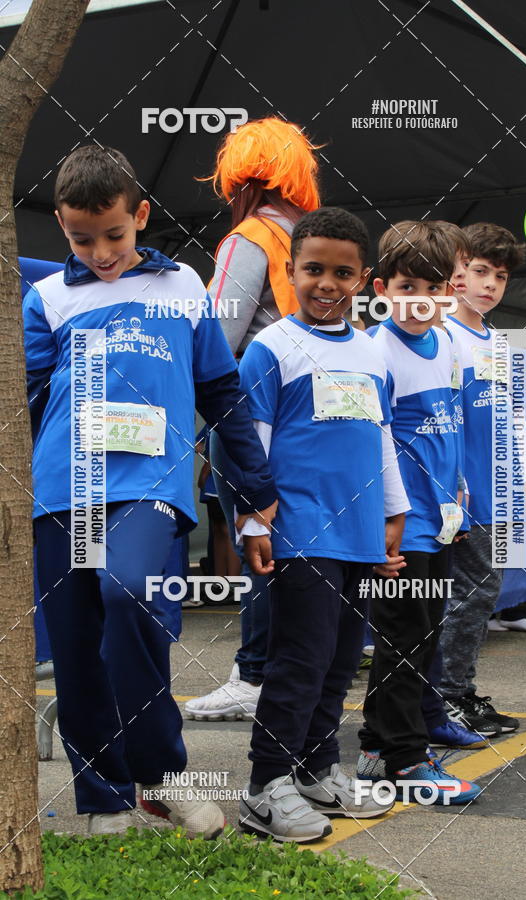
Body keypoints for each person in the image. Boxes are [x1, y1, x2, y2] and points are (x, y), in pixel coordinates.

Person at [24, 145, 277, 836]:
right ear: (61, 225)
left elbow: (221, 391)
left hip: (149, 480)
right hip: (67, 487)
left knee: (128, 591)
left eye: (114, 233)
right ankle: (105, 800)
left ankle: (162, 775)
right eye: (82, 239)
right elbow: (29, 401)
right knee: (77, 643)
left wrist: (256, 488)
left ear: (140, 214)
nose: (101, 253)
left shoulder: (184, 285)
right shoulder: (48, 299)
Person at [237, 207, 410, 842]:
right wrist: (252, 522)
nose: (327, 284)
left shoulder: (372, 353)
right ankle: (265, 786)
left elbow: (381, 436)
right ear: (290, 271)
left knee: (339, 661)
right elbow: (248, 442)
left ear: (362, 278)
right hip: (300, 531)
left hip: (359, 533)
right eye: (314, 270)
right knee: (301, 659)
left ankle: (315, 770)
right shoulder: (271, 347)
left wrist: (394, 510)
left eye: (342, 272)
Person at [185, 117, 320, 722]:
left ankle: (253, 674)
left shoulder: (249, 239)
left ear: (241, 176)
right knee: (292, 542)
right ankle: (288, 668)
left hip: (250, 414)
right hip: (308, 413)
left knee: (256, 538)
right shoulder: (308, 238)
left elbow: (216, 339)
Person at [355, 220, 482, 804]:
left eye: (434, 288)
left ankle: (378, 747)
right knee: (403, 641)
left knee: (421, 639)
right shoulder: (376, 352)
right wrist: (386, 520)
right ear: (382, 288)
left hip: (442, 521)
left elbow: (449, 430)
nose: (421, 301)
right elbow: (373, 444)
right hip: (404, 528)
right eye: (408, 287)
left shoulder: (448, 342)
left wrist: (458, 500)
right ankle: (406, 762)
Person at [439, 223, 526, 735]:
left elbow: (515, 421)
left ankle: (458, 691)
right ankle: (448, 696)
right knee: (466, 595)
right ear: (456, 272)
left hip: (502, 494)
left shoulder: (504, 342)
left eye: (500, 276)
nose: (490, 284)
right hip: (462, 495)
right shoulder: (441, 336)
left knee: (481, 595)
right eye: (480, 271)